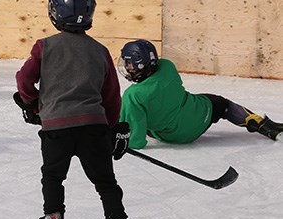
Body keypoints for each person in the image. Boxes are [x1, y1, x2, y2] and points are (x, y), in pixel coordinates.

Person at [14, 0, 143, 219]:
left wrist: (34, 106)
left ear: (55, 13)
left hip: (55, 129)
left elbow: (24, 80)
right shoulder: (100, 51)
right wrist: (112, 129)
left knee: (52, 178)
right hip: (93, 128)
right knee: (106, 184)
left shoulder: (44, 46)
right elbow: (111, 97)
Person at [120, 39, 282, 148]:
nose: (127, 67)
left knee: (130, 115)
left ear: (140, 65)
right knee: (222, 104)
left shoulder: (133, 95)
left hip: (173, 136)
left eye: (129, 63)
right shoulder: (167, 67)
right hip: (199, 116)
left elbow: (136, 142)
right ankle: (263, 125)